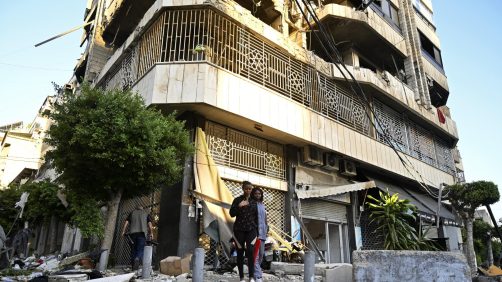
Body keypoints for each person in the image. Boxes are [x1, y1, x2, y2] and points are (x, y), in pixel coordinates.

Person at [230, 181, 257, 282]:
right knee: (240, 252)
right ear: (243, 189)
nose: (248, 190)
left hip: (251, 229)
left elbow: (257, 216)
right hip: (239, 229)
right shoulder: (237, 200)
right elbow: (231, 214)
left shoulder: (254, 201)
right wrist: (239, 206)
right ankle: (241, 277)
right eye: (246, 188)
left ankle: (251, 277)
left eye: (250, 189)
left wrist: (258, 230)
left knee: (250, 251)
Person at [121, 205, 153, 270]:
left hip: (132, 234)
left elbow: (126, 222)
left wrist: (123, 231)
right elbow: (150, 224)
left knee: (133, 250)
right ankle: (137, 258)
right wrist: (151, 233)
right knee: (140, 249)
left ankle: (134, 267)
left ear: (136, 208)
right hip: (142, 234)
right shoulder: (146, 213)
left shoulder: (132, 213)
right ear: (142, 208)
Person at [251, 187, 267, 282]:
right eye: (256, 193)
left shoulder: (262, 205)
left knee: (261, 254)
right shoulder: (251, 204)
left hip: (263, 233)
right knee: (255, 255)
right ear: (253, 194)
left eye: (259, 194)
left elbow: (265, 218)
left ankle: (253, 272)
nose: (257, 195)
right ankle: (258, 276)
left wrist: (266, 227)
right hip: (254, 233)